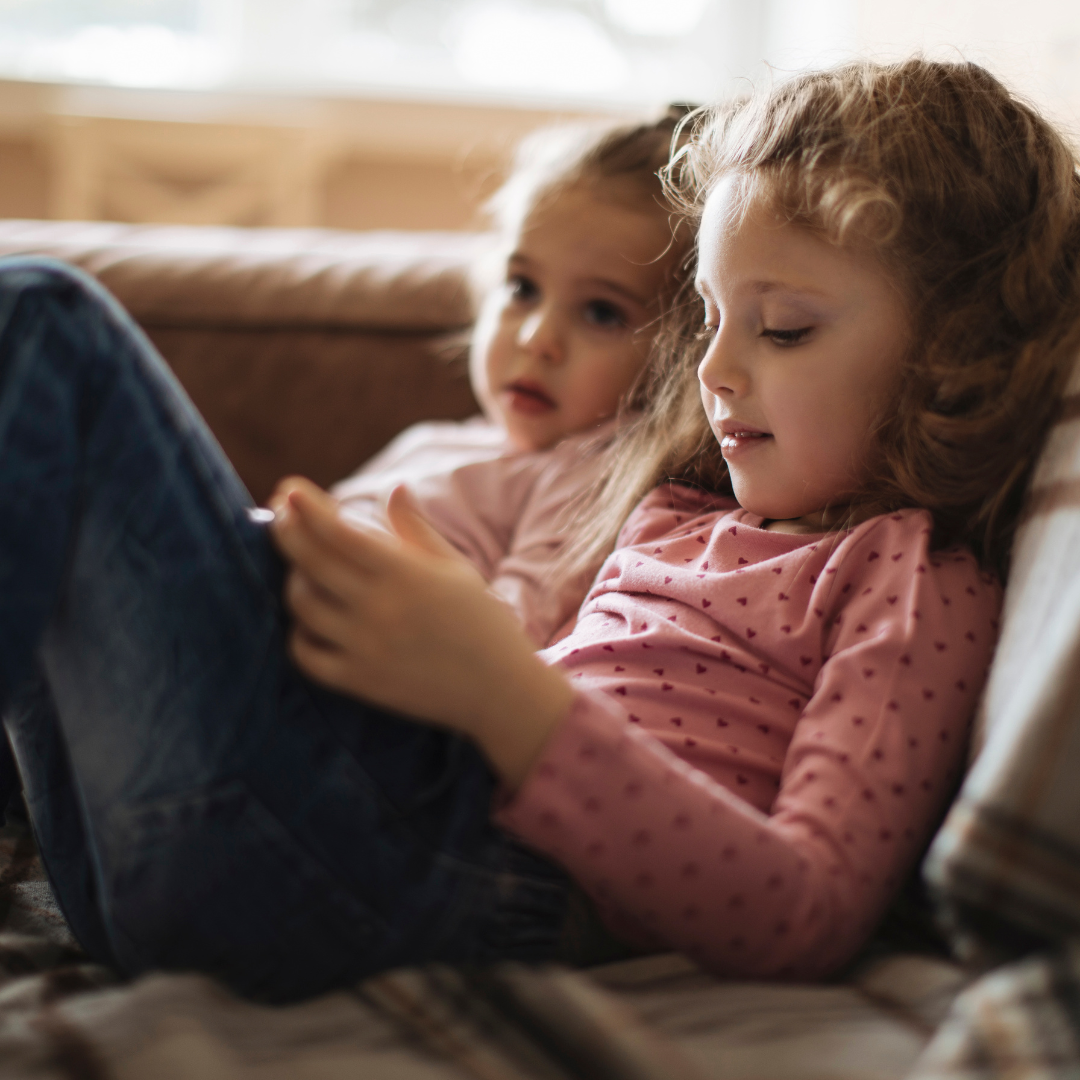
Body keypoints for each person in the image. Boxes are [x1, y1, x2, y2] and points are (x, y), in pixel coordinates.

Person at [0, 59, 1075, 1004]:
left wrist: (503, 695)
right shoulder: (670, 509)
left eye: (783, 327)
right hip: (186, 854)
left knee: (47, 325)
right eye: (708, 315)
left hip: (427, 868)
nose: (713, 369)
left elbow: (804, 914)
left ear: (955, 360)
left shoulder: (910, 583)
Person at [333, 110, 693, 646]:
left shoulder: (594, 473)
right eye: (522, 288)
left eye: (601, 312)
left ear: (678, 358)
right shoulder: (436, 440)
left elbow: (507, 644)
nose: (535, 338)